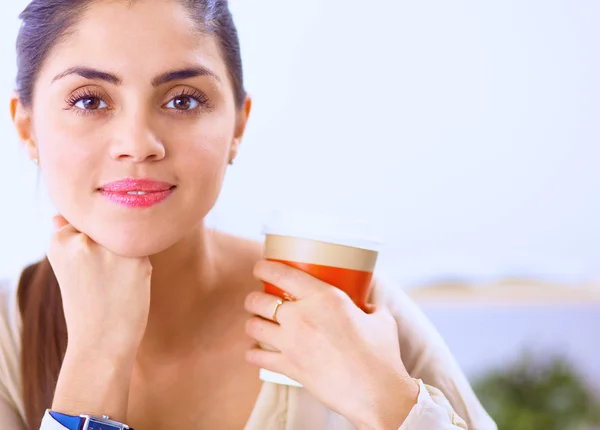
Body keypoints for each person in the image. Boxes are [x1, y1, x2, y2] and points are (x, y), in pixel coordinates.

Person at [0, 0, 497, 429]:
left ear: (238, 124)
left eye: (182, 100)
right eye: (90, 100)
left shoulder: (348, 311)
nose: (138, 145)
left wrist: (388, 402)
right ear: (26, 128)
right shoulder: (9, 337)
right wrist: (96, 356)